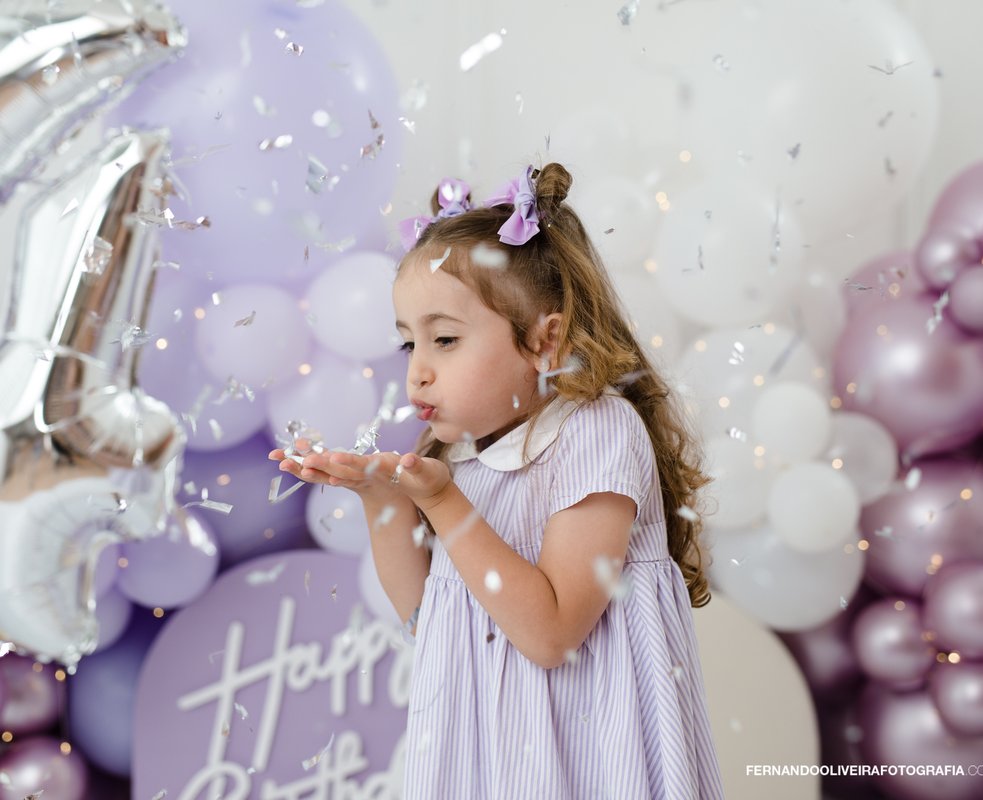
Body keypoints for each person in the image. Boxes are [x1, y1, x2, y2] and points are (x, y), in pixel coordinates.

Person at [269, 162, 725, 799]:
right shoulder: (462, 455)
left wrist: (441, 502)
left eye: (446, 340)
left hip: (588, 759)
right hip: (490, 761)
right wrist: (382, 497)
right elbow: (429, 622)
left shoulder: (595, 432)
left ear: (546, 341)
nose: (418, 373)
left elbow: (550, 634)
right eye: (409, 345)